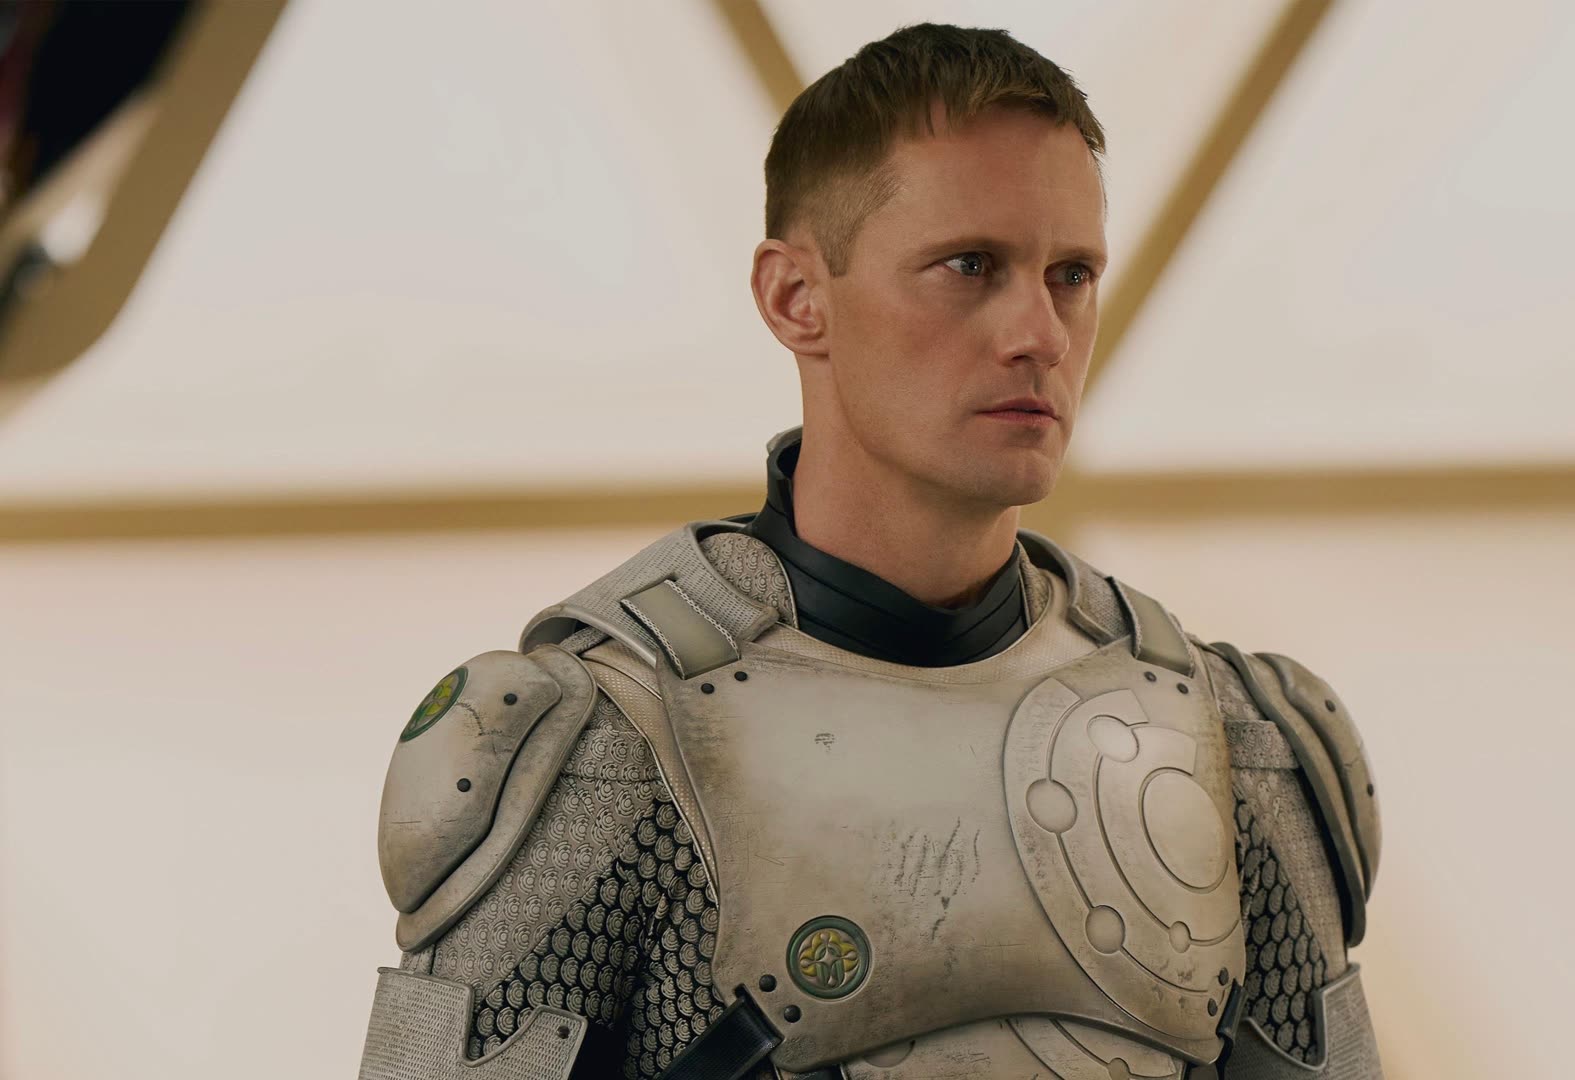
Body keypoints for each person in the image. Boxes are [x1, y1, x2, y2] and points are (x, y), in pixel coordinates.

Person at [354, 23, 1384, 1080]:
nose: (1041, 333)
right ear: (796, 299)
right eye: (970, 266)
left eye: (1071, 274)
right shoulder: (605, 746)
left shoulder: (1239, 739)